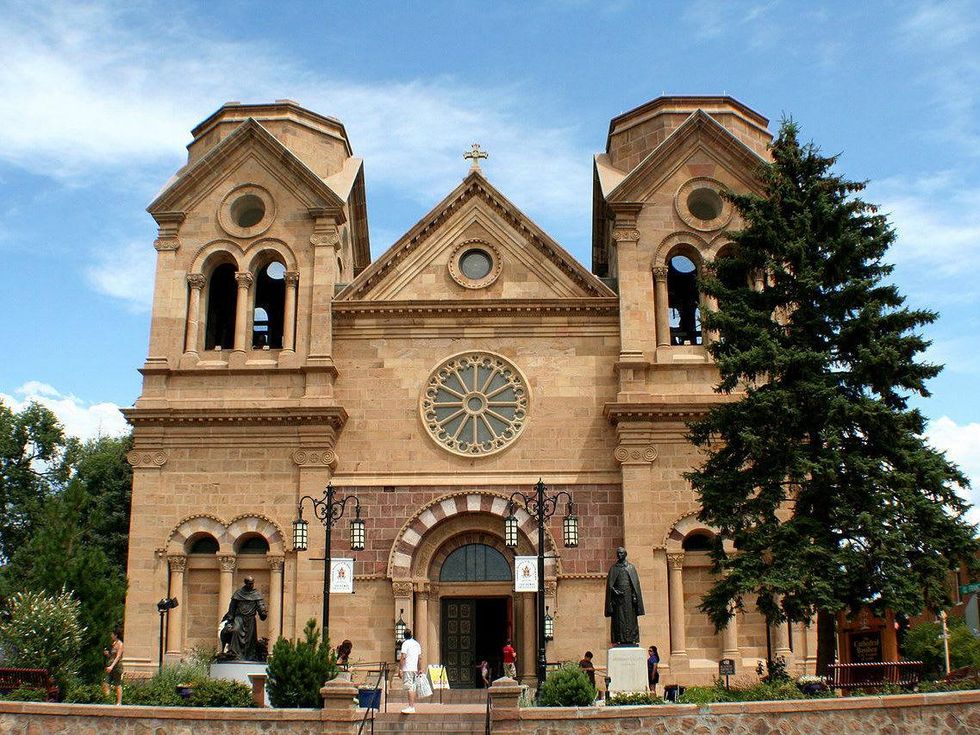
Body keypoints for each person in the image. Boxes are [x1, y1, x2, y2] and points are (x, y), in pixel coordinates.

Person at [604, 547, 645, 645]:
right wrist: (614, 591)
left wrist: (635, 596)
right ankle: (620, 639)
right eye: (618, 553)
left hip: (629, 599)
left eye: (621, 553)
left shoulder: (631, 568)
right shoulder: (613, 568)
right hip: (618, 600)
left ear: (625, 554)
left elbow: (635, 584)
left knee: (631, 619)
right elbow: (610, 585)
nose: (619, 555)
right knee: (619, 620)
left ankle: (631, 639)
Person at [222, 576, 268, 661]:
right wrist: (229, 621)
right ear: (245, 583)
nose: (251, 585)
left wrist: (263, 613)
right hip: (239, 618)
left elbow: (260, 606)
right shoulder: (238, 593)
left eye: (252, 584)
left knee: (250, 640)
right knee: (235, 630)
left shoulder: (256, 594)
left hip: (250, 620)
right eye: (249, 584)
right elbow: (232, 608)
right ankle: (234, 654)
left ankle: (249, 657)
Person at [397, 628, 423, 714]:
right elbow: (419, 658)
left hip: (408, 668)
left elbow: (403, 657)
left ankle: (411, 706)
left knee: (409, 688)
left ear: (404, 636)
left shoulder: (405, 643)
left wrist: (400, 669)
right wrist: (420, 669)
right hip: (414, 669)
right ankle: (411, 706)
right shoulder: (417, 644)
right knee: (412, 687)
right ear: (411, 635)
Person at [102, 628, 124, 705]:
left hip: (117, 667)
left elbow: (118, 657)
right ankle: (108, 701)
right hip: (110, 666)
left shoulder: (120, 644)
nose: (111, 635)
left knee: (117, 684)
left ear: (116, 635)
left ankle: (119, 702)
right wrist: (107, 654)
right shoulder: (113, 643)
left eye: (112, 634)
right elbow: (112, 656)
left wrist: (111, 666)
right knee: (105, 683)